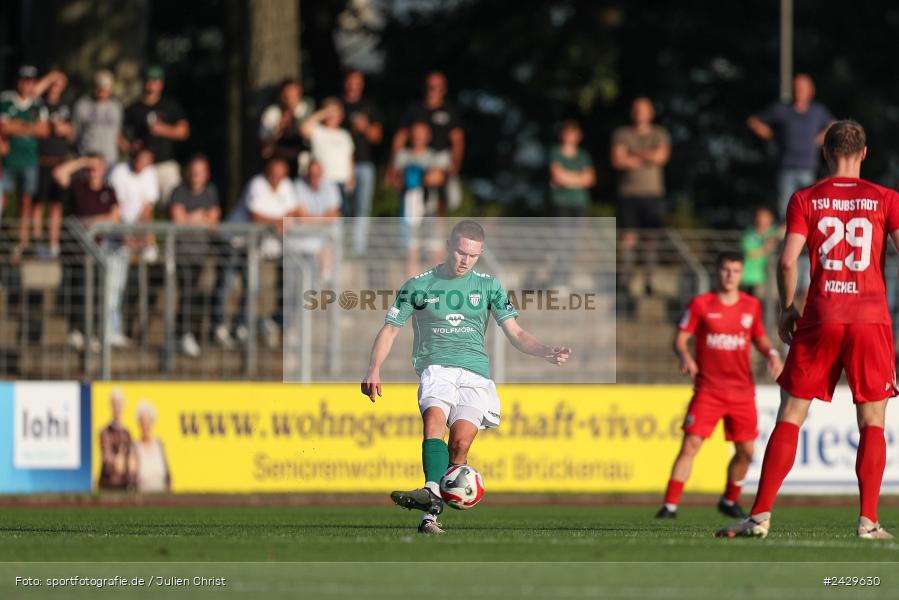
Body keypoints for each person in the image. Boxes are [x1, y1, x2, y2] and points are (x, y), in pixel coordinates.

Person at [718, 120, 897, 540]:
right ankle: (868, 522)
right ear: (864, 154)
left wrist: (787, 308)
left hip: (820, 316)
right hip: (870, 319)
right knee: (872, 420)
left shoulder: (805, 198)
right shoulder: (887, 198)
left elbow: (786, 261)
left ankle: (759, 516)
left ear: (825, 153)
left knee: (792, 414)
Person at [361, 220, 571, 535]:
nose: (465, 260)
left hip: (475, 375)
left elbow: (515, 332)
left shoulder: (488, 286)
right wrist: (373, 368)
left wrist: (544, 350)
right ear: (449, 246)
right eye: (461, 252)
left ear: (481, 253)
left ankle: (432, 501)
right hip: (437, 368)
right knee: (434, 419)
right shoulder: (419, 285)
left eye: (472, 255)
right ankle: (430, 508)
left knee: (459, 445)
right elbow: (390, 330)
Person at [656, 251, 783, 520]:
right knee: (690, 445)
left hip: (742, 392)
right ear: (717, 272)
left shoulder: (751, 305)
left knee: (746, 452)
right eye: (726, 270)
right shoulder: (701, 304)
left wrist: (772, 354)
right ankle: (669, 505)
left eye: (735, 271)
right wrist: (685, 355)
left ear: (741, 274)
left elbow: (760, 338)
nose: (730, 276)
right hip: (709, 391)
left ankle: (729, 500)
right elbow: (680, 339)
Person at [212, 158, 296, 350]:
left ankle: (241, 325)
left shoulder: (286, 186)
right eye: (273, 174)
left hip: (253, 247)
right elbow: (256, 217)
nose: (276, 178)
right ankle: (218, 326)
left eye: (280, 175)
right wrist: (279, 222)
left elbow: (292, 213)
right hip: (234, 242)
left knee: (253, 286)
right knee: (226, 285)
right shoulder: (257, 184)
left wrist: (279, 221)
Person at [52, 154, 120, 351]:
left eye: (97, 166)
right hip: (76, 251)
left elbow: (114, 217)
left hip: (98, 252)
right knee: (77, 290)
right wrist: (83, 162)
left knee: (97, 293)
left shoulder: (109, 191)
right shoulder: (78, 187)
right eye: (90, 167)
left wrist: (90, 222)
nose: (93, 171)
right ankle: (76, 330)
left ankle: (93, 332)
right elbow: (59, 173)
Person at [747, 74, 834, 218]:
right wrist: (769, 134)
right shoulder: (781, 109)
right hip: (786, 168)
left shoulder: (817, 111)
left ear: (811, 91)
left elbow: (834, 124)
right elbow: (754, 121)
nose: (799, 91)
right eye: (796, 87)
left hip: (809, 169)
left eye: (802, 88)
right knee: (786, 212)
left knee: (810, 210)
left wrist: (820, 138)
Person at [611, 96, 671, 298]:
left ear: (651, 112)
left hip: (653, 193)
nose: (640, 114)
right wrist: (648, 156)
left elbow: (661, 157)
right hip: (628, 193)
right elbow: (618, 160)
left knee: (650, 240)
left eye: (644, 110)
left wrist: (633, 154)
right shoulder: (622, 133)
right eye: (637, 109)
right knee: (627, 238)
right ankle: (624, 281)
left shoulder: (659, 133)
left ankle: (649, 281)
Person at [107, 148, 160, 347]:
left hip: (134, 236)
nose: (141, 164)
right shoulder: (119, 172)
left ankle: (119, 330)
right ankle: (110, 330)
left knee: (123, 287)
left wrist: (143, 237)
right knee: (113, 287)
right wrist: (125, 235)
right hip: (116, 237)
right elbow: (116, 207)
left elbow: (147, 209)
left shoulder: (150, 174)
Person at [169, 154, 220, 358]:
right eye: (193, 171)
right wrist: (200, 217)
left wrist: (191, 217)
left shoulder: (211, 191)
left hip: (200, 254)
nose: (195, 175)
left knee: (195, 294)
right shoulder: (179, 191)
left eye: (199, 172)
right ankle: (182, 334)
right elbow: (178, 220)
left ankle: (185, 333)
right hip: (181, 254)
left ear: (206, 174)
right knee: (187, 293)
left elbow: (214, 219)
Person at [386, 121, 450, 277]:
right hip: (409, 209)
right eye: (415, 134)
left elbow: (439, 178)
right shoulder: (402, 155)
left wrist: (419, 177)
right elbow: (393, 180)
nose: (417, 138)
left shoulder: (435, 156)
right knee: (411, 249)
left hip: (430, 209)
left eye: (421, 135)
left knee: (435, 250)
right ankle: (412, 287)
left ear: (428, 137)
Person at [393, 71, 464, 202]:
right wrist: (393, 167)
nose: (431, 89)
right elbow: (400, 137)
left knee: (439, 183)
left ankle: (439, 209)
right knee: (409, 181)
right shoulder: (414, 109)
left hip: (440, 158)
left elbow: (457, 141)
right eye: (429, 86)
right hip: (416, 158)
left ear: (443, 89)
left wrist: (455, 166)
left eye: (436, 86)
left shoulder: (449, 111)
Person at [0, 65, 49, 256]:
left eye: (31, 81)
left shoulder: (38, 104)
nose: (27, 84)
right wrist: (30, 127)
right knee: (3, 198)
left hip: (30, 160)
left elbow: (44, 130)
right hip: (8, 160)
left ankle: (22, 241)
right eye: (24, 80)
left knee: (26, 201)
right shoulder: (6, 100)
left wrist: (18, 126)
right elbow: (5, 127)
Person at [123, 65, 189, 203]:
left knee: (173, 203)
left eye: (155, 81)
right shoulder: (134, 108)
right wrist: (130, 147)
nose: (151, 84)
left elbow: (184, 131)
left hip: (165, 164)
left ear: (161, 84)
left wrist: (164, 129)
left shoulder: (170, 106)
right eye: (148, 80)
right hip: (142, 166)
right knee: (140, 206)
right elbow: (119, 135)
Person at [33, 69, 72, 258]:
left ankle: (53, 243)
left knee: (57, 204)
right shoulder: (39, 105)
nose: (55, 87)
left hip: (59, 163)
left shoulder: (65, 107)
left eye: (59, 84)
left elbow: (71, 131)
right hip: (42, 160)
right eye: (53, 83)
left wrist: (62, 128)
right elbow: (33, 92)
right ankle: (37, 242)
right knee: (38, 203)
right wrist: (50, 77)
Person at [342, 70, 382, 253]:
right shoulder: (338, 105)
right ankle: (342, 245)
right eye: (350, 81)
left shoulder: (369, 106)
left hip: (364, 164)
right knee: (343, 206)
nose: (353, 85)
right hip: (341, 165)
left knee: (363, 207)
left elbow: (377, 137)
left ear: (362, 85)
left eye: (357, 82)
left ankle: (358, 248)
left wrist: (364, 127)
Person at [291, 159, 342, 280]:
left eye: (317, 175)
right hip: (304, 235)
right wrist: (323, 219)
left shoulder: (331, 187)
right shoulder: (298, 185)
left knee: (329, 243)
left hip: (324, 235)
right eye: (311, 175)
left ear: (322, 173)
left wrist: (311, 219)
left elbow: (334, 215)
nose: (314, 178)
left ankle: (325, 280)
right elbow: (300, 216)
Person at [301, 98, 354, 210]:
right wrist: (324, 113)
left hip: (342, 181)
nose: (332, 115)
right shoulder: (317, 130)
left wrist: (351, 177)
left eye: (335, 112)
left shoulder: (344, 134)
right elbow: (304, 129)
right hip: (323, 181)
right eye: (330, 112)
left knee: (344, 213)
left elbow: (350, 157)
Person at [259, 78, 314, 177]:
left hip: (302, 165)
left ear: (299, 94)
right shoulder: (272, 113)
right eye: (286, 96)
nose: (289, 99)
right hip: (279, 163)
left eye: (292, 95)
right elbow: (265, 150)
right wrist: (279, 130)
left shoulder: (307, 110)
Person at [72, 70, 123, 166]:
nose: (101, 91)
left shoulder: (115, 107)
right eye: (98, 87)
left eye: (105, 88)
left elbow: (117, 133)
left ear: (110, 89)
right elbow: (75, 132)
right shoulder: (82, 105)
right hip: (87, 158)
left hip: (109, 160)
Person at [549, 119, 596, 218]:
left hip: (580, 202)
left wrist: (566, 176)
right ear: (562, 134)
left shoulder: (583, 155)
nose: (570, 136)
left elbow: (590, 179)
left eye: (573, 133)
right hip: (561, 202)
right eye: (567, 133)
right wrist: (579, 177)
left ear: (579, 135)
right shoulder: (555, 152)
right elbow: (558, 177)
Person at [128, 400, 171, 493]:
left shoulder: (159, 445)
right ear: (139, 424)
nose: (146, 425)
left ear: (153, 422)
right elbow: (131, 477)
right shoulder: (134, 447)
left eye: (148, 421)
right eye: (143, 422)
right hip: (142, 496)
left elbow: (168, 476)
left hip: (161, 494)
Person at [740, 207, 783, 297]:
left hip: (767, 278)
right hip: (749, 277)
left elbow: (785, 230)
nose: (761, 220)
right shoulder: (749, 233)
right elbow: (751, 254)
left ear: (771, 219)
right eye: (759, 217)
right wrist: (767, 246)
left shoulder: (773, 231)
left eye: (764, 217)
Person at [98, 388, 132, 490]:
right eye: (115, 404)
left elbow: (132, 463)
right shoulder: (105, 432)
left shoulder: (127, 433)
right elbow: (108, 459)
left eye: (120, 404)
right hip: (108, 485)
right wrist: (120, 462)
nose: (118, 407)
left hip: (125, 486)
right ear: (111, 406)